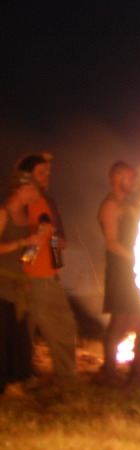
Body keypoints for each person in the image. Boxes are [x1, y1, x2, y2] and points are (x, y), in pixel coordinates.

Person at [15, 154, 77, 386]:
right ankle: (23, 376)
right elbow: (24, 243)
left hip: (49, 275)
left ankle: (66, 377)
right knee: (25, 329)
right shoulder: (18, 205)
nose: (46, 177)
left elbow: (53, 235)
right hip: (30, 276)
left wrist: (58, 248)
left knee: (63, 324)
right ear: (27, 177)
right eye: (41, 173)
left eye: (47, 173)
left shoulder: (47, 201)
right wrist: (24, 271)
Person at [97, 161, 140, 385]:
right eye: (131, 177)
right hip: (121, 271)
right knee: (119, 320)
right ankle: (109, 371)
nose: (135, 181)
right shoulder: (110, 205)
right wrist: (137, 260)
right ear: (118, 178)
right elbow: (112, 243)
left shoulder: (127, 205)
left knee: (138, 320)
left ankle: (137, 372)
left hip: (134, 271)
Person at [0, 171, 42, 397]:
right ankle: (4, 382)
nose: (33, 193)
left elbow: (26, 257)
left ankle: (20, 378)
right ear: (18, 190)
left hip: (18, 285)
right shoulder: (3, 213)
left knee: (19, 334)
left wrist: (35, 244)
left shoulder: (26, 217)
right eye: (30, 189)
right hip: (2, 283)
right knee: (3, 334)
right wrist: (23, 241)